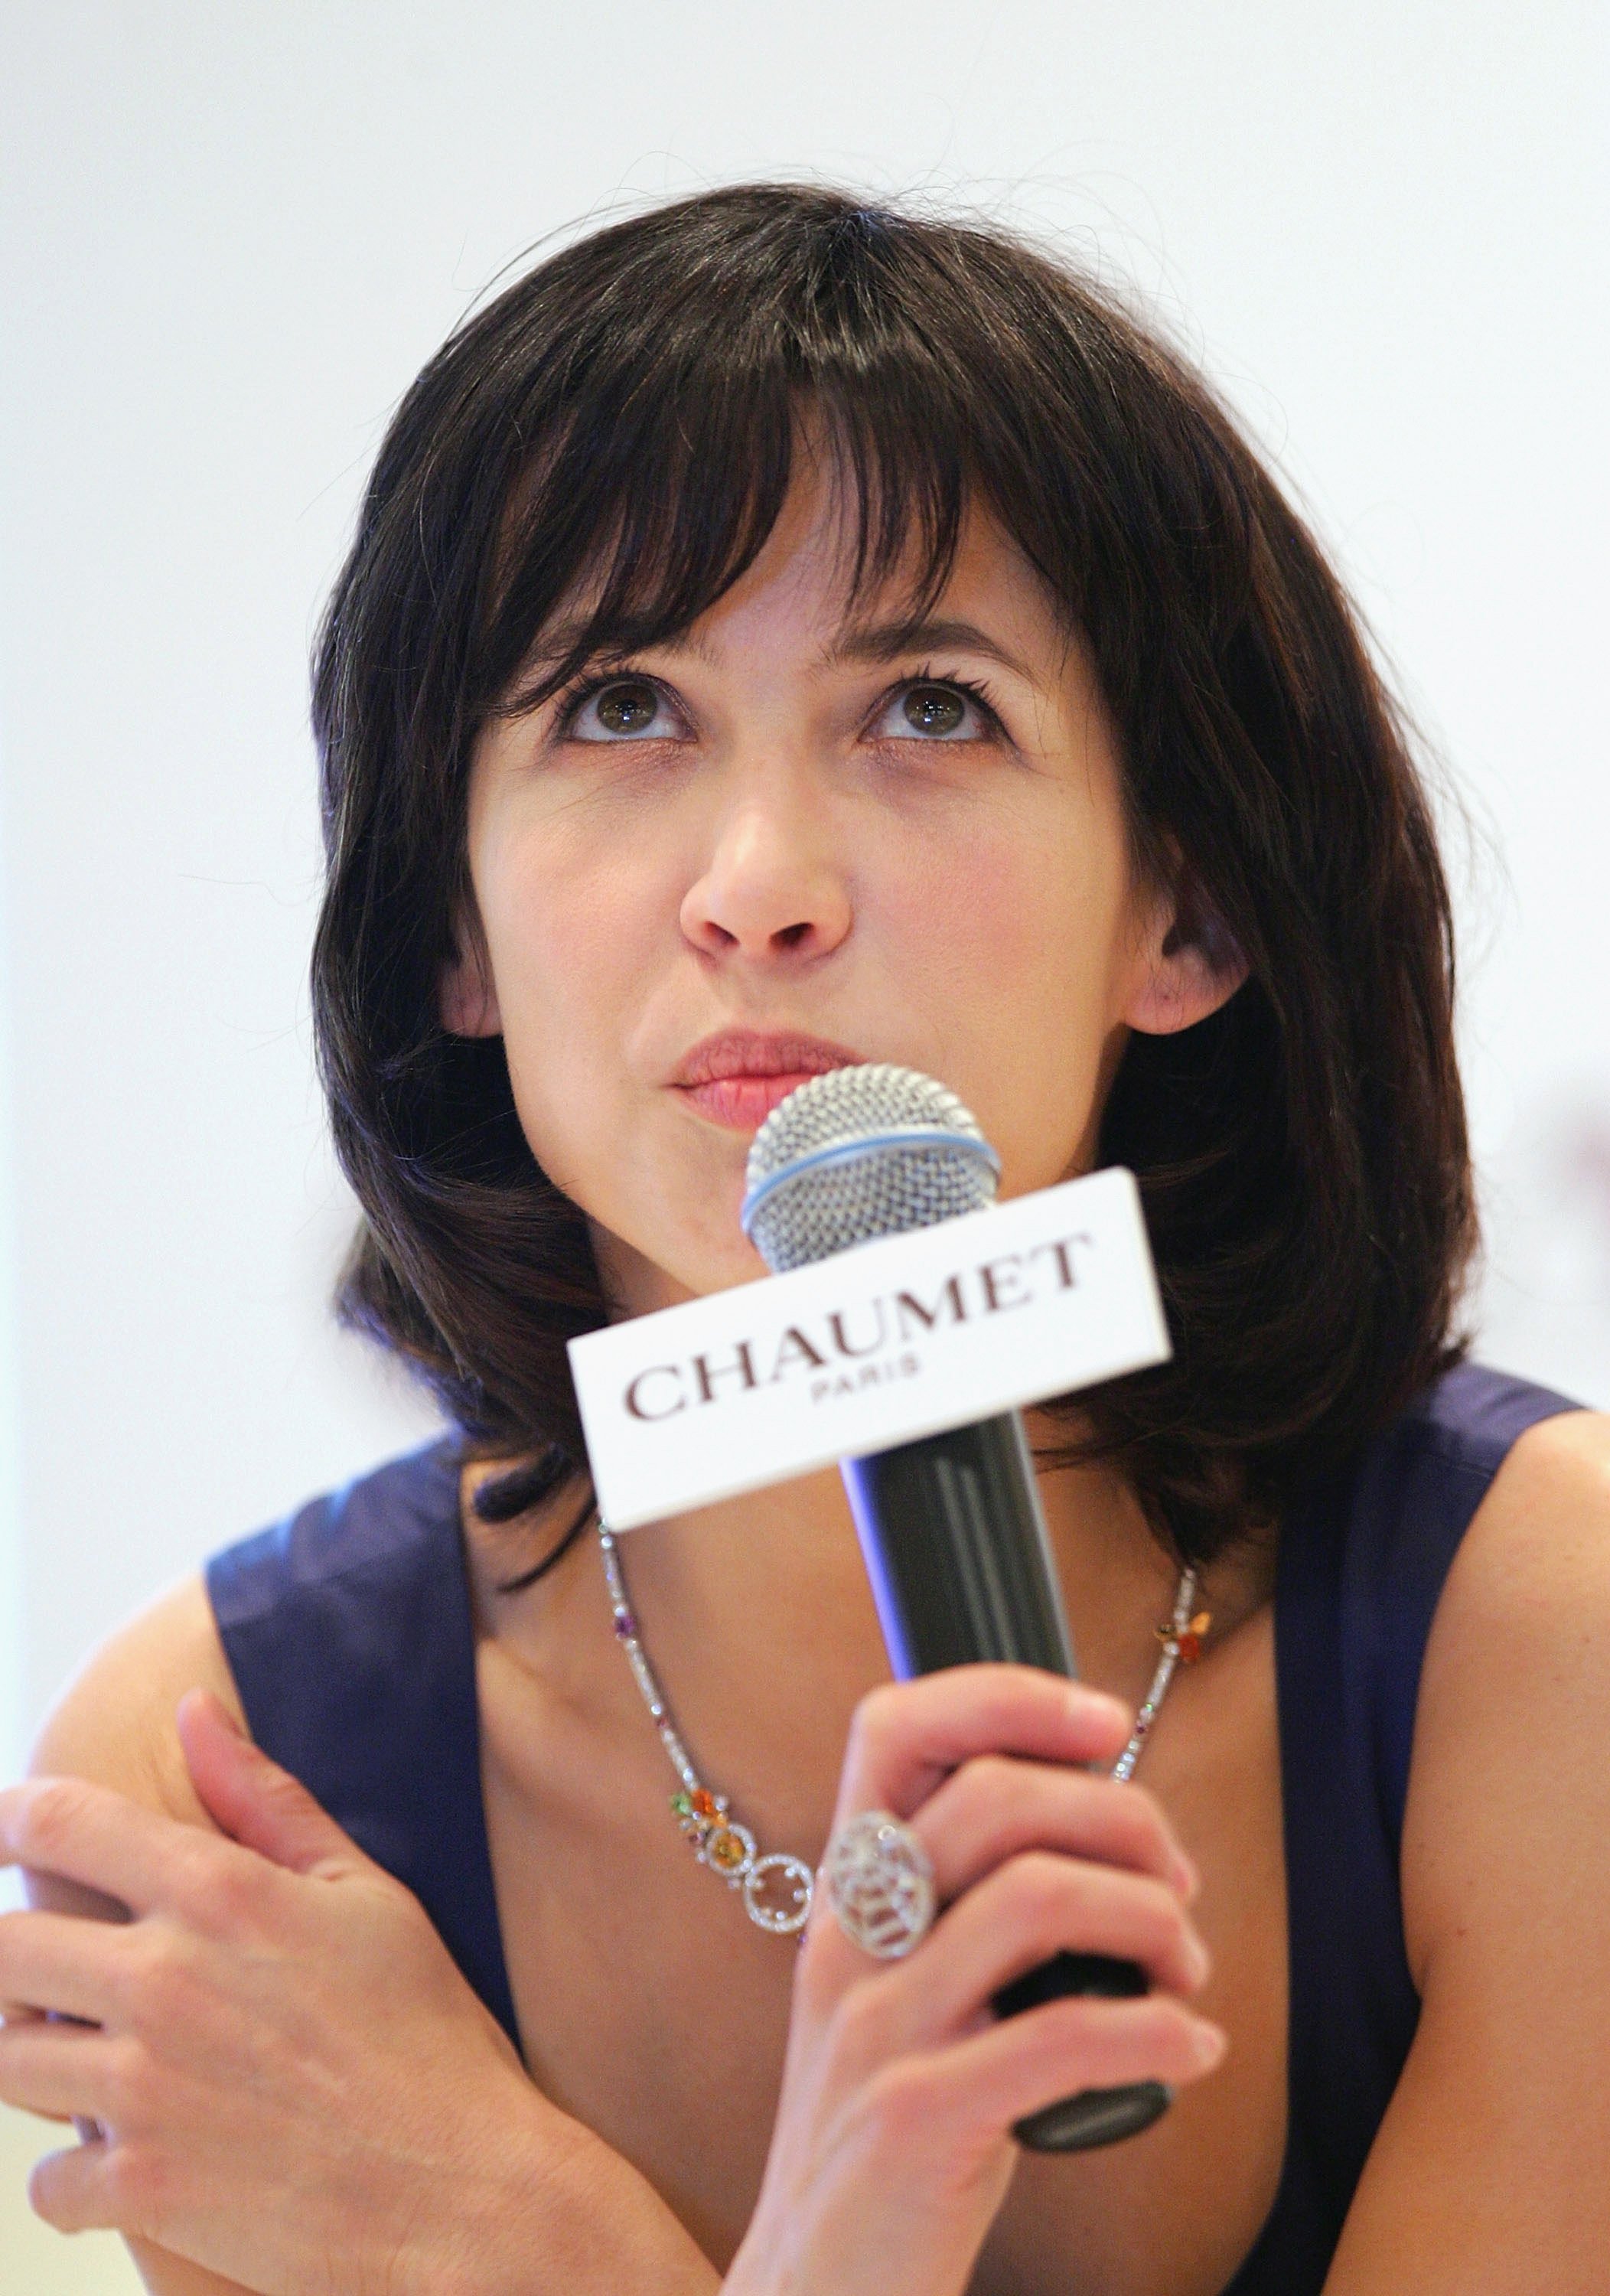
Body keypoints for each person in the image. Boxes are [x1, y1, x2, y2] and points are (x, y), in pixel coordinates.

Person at [2, 181, 1608, 2296]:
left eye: (930, 708)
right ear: (451, 929)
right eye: (619, 707)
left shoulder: (1545, 1636)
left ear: (1188, 911)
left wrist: (535, 2237)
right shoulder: (227, 1786)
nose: (759, 885)